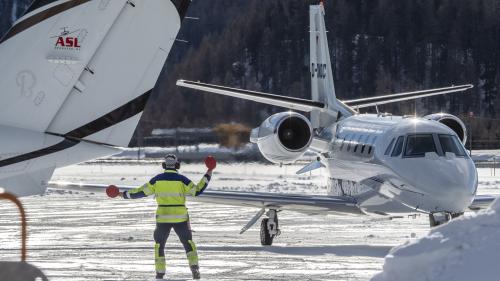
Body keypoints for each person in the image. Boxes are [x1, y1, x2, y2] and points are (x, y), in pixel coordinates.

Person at [120, 154, 213, 280]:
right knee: (188, 243)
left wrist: (122, 194)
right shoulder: (182, 179)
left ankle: (160, 273)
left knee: (159, 245)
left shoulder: (157, 180)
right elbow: (197, 190)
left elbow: (140, 192)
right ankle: (194, 267)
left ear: (164, 165)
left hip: (163, 217)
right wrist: (209, 172)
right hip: (180, 217)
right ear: (177, 165)